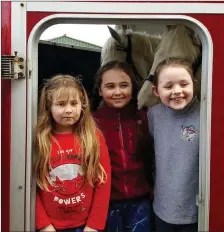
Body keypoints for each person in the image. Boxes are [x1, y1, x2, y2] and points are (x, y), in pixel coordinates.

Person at [34, 74, 111, 232]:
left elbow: (103, 182)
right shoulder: (40, 139)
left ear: (82, 105)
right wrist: (43, 224)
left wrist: (94, 225)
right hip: (50, 226)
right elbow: (30, 186)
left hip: (85, 226)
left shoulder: (93, 136)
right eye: (61, 104)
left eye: (73, 103)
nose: (68, 110)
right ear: (48, 106)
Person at [92, 60, 154, 232]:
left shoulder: (145, 118)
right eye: (110, 86)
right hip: (106, 202)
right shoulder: (91, 122)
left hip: (141, 201)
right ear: (100, 90)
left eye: (124, 85)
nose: (117, 92)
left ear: (133, 88)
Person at [148, 57, 200, 232]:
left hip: (196, 211)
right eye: (168, 86)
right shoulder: (153, 115)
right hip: (162, 209)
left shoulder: (206, 114)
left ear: (194, 84)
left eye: (184, 84)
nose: (177, 91)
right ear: (156, 91)